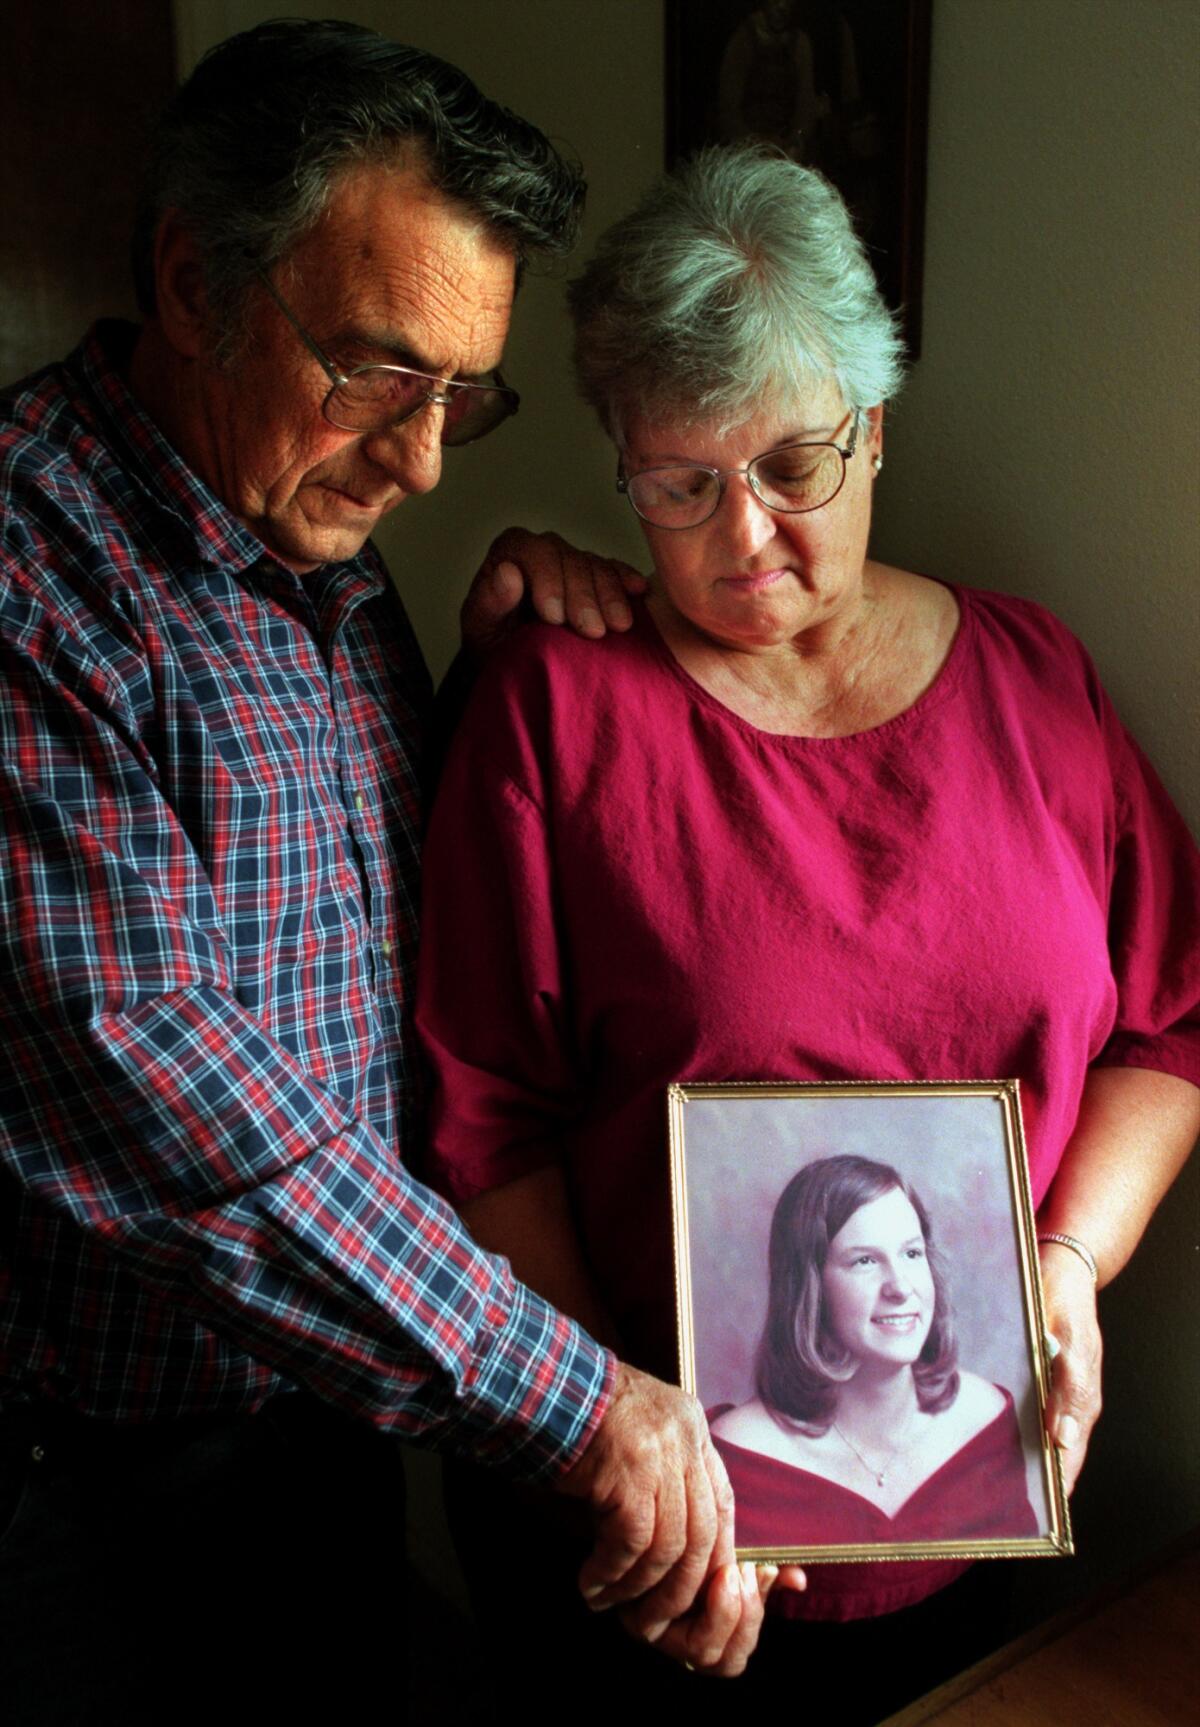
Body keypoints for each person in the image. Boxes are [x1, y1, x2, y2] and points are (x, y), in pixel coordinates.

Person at [0, 25, 776, 1721]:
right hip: (78, 1482)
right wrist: (587, 1400)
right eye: (377, 373)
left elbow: (390, 929)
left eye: (461, 398)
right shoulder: (29, 576)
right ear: (195, 279)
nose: (422, 462)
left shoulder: (319, 550)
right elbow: (182, 1106)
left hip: (333, 1412)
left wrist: (506, 661)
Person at [416, 142, 1200, 1717]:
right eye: (682, 486)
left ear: (877, 422)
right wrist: (620, 1438)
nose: (746, 536)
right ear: (622, 465)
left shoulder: (1037, 678)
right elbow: (480, 1125)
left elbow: (1167, 1027)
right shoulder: (554, 710)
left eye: (793, 466)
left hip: (988, 1534)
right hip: (655, 1549)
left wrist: (1069, 1261)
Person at [709, 1155, 1038, 1548]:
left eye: (912, 1254)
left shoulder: (987, 1416)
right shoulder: (736, 1457)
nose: (900, 1287)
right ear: (809, 1289)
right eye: (864, 1261)